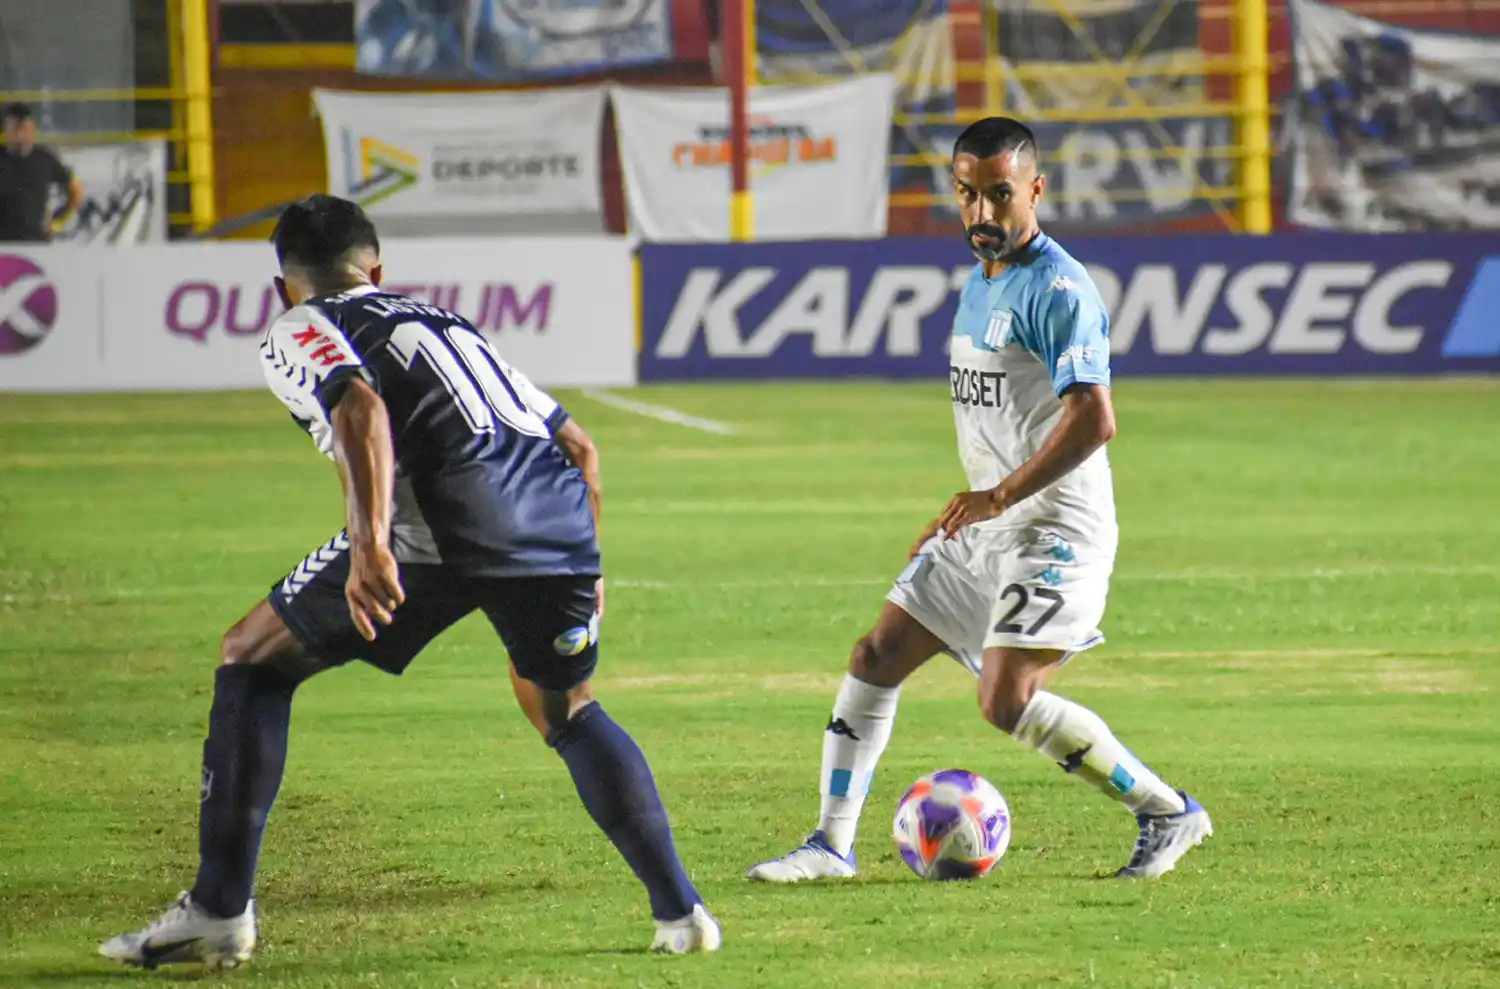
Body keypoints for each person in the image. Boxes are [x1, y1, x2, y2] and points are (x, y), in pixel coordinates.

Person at [99, 194, 720, 970]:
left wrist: (368, 546)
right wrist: (584, 562)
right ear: (377, 268)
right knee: (564, 705)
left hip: (442, 522)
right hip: (558, 522)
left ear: (283, 286)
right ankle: (683, 912)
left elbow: (359, 408)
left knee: (250, 656)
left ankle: (218, 912)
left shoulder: (301, 325)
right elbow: (580, 446)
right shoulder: (449, 323)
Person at [746, 117, 1212, 885]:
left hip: (1055, 527)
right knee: (875, 654)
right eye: (968, 194)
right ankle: (830, 844)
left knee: (1005, 698)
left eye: (1000, 194)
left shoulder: (1059, 289)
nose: (983, 212)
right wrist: (964, 512)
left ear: (1035, 189)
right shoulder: (982, 281)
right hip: (987, 524)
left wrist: (996, 495)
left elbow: (1094, 418)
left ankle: (1166, 810)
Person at [0, 103, 83, 243]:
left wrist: (56, 222)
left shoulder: (45, 158)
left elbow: (75, 192)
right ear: (6, 129)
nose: (20, 134)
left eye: (24, 128)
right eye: (14, 128)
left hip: (37, 244)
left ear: (32, 129)